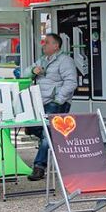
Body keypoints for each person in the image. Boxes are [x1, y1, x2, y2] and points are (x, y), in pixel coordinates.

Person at [24, 33, 77, 181]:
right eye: (43, 42)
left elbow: (71, 83)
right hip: (39, 102)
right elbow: (23, 73)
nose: (43, 45)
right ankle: (51, 142)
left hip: (55, 104)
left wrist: (58, 100)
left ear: (56, 46)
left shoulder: (65, 61)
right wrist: (33, 71)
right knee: (34, 128)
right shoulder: (41, 60)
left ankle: (39, 167)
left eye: (47, 42)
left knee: (47, 134)